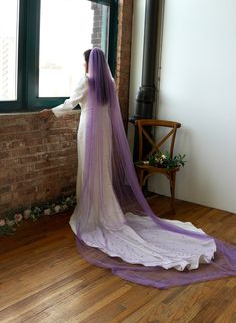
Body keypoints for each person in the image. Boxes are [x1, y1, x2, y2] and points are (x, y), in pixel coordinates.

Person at [40, 48, 236, 288]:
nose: (83, 65)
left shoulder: (86, 80)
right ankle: (103, 208)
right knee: (101, 172)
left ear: (88, 63)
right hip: (104, 134)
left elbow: (71, 103)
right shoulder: (109, 82)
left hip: (88, 132)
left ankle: (90, 211)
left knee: (89, 172)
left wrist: (51, 112)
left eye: (83, 62)